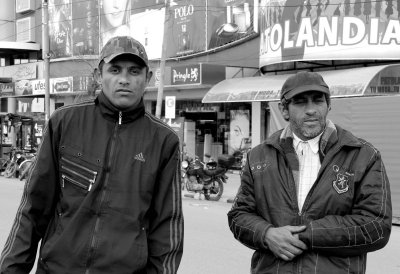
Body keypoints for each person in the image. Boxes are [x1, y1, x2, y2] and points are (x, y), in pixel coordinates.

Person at [0, 36, 184, 273]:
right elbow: (33, 209)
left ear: (148, 78)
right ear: (99, 75)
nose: (124, 80)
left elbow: (167, 228)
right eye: (115, 70)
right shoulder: (64, 123)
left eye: (134, 71)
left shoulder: (163, 141)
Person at [227, 71, 392, 274]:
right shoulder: (259, 157)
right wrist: (267, 234)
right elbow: (239, 215)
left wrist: (308, 234)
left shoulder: (363, 156)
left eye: (318, 100)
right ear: (284, 110)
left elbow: (376, 226)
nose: (311, 110)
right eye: (300, 102)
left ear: (328, 105)